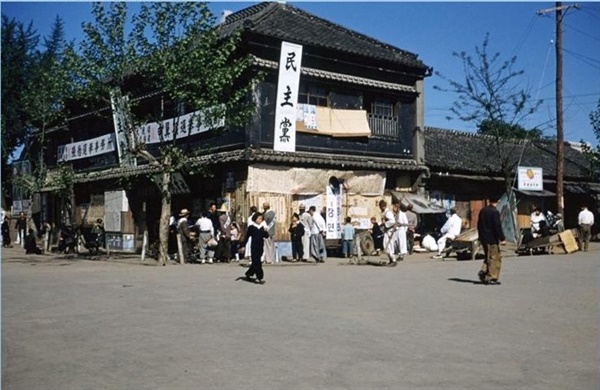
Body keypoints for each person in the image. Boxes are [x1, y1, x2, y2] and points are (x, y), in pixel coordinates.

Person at [477, 197, 506, 285]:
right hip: (492, 239)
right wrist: (502, 238)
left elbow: (479, 225)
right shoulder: (495, 212)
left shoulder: (483, 210)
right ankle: (491, 277)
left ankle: (484, 270)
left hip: (484, 238)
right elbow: (497, 227)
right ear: (498, 202)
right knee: (494, 258)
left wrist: (480, 237)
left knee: (488, 256)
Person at [239, 212, 269, 284]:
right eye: (259, 218)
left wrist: (265, 231)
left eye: (261, 219)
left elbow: (266, 236)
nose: (260, 220)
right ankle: (259, 277)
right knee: (257, 262)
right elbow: (246, 237)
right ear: (255, 219)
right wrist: (243, 246)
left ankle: (249, 273)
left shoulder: (262, 227)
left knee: (255, 263)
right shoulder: (251, 227)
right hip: (254, 247)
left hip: (260, 247)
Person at [379, 199, 400, 266]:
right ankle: (390, 259)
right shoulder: (385, 213)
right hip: (387, 231)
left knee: (389, 246)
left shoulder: (388, 213)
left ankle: (393, 260)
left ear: (382, 206)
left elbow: (392, 221)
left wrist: (385, 224)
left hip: (390, 231)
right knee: (385, 245)